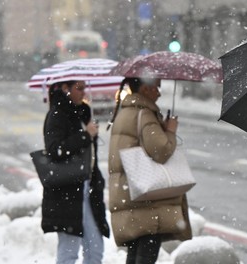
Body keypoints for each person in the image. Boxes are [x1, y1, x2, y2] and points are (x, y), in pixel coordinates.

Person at [107, 77, 192, 264]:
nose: (159, 93)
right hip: (148, 200)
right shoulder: (144, 114)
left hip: (130, 193)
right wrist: (170, 131)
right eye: (156, 88)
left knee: (135, 254)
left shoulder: (125, 112)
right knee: (146, 255)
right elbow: (160, 151)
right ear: (145, 89)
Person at [42, 80, 110, 264]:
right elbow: (55, 150)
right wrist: (85, 135)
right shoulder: (57, 115)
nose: (83, 92)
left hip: (88, 188)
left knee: (95, 247)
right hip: (67, 191)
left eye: (84, 88)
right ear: (66, 89)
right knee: (69, 249)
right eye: (79, 88)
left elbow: (90, 156)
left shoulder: (83, 113)